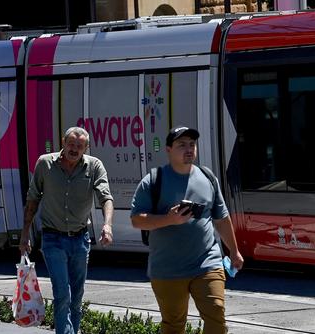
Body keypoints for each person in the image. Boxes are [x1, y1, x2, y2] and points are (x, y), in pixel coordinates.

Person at [130, 126, 244, 334]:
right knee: (174, 325)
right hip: (167, 267)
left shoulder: (208, 177)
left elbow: (221, 218)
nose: (189, 149)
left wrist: (234, 251)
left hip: (207, 262)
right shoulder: (154, 180)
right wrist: (169, 219)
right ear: (168, 149)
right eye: (182, 145)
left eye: (192, 144)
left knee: (216, 313)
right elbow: (137, 220)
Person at [19, 126, 114, 334]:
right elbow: (33, 199)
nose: (74, 149)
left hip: (80, 240)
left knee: (77, 296)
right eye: (71, 144)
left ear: (86, 148)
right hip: (53, 238)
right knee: (63, 294)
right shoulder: (45, 163)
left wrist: (107, 225)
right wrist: (25, 234)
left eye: (79, 146)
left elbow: (106, 197)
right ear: (63, 142)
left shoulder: (94, 166)